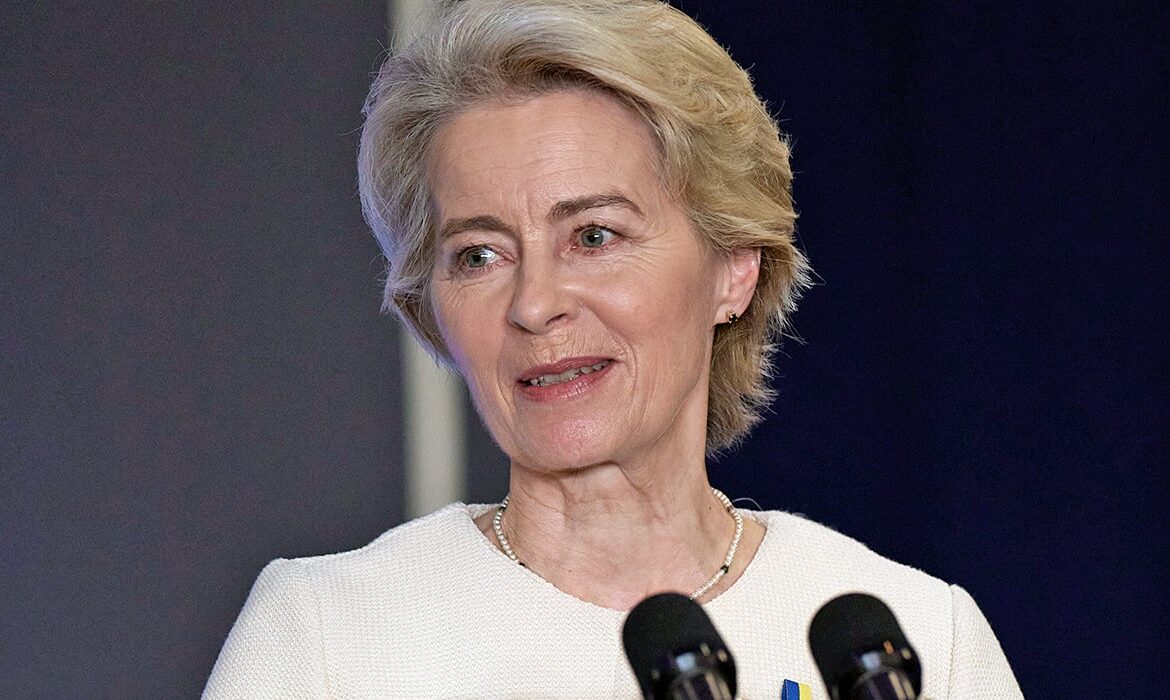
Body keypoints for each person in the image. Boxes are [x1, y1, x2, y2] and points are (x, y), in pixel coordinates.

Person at [204, 1, 1022, 697]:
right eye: (479, 255)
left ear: (734, 267)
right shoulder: (327, 638)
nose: (535, 304)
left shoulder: (916, 640)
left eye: (594, 236)